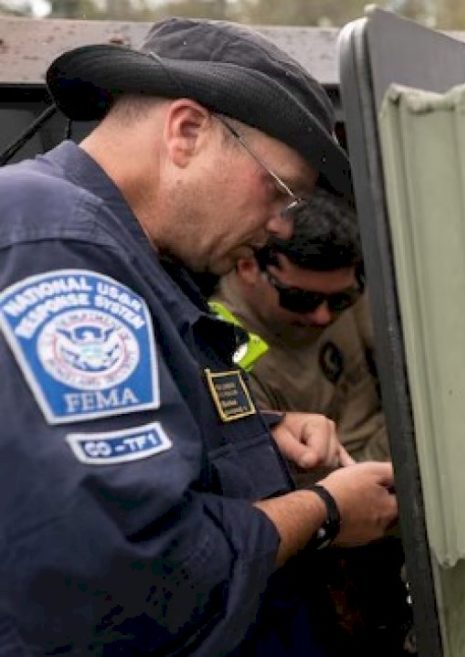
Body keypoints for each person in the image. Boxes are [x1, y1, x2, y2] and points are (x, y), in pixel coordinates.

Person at [0, 18, 397, 656]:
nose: (279, 228)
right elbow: (139, 570)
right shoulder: (57, 249)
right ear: (187, 132)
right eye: (279, 192)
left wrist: (256, 435)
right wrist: (325, 513)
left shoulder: (131, 249)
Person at [214, 191, 389, 480]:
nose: (323, 316)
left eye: (340, 301)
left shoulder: (344, 292)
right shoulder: (222, 348)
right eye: (301, 299)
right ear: (247, 267)